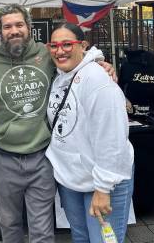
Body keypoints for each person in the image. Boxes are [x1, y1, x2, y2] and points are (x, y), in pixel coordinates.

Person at [0, 4, 116, 243]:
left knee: (41, 226)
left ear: (29, 28)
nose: (14, 30)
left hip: (42, 156)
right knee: (8, 223)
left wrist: (100, 63)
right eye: (7, 26)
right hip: (3, 156)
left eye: (19, 25)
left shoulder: (45, 54)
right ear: (0, 32)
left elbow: (74, 59)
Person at [45, 23, 134, 243]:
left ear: (83, 45)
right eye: (54, 45)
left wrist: (103, 187)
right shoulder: (59, 77)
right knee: (81, 237)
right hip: (71, 179)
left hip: (102, 181)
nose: (60, 50)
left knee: (103, 241)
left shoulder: (97, 79)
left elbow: (112, 137)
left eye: (67, 44)